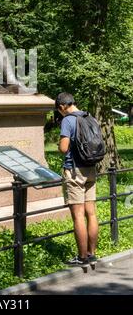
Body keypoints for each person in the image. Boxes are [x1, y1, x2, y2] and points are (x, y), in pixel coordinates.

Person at [55, 92, 98, 268]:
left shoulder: (68, 120)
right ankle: (91, 254)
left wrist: (60, 145)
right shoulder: (90, 117)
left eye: (59, 110)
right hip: (91, 168)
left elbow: (64, 148)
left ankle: (81, 257)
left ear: (62, 106)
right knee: (92, 213)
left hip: (74, 171)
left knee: (78, 215)